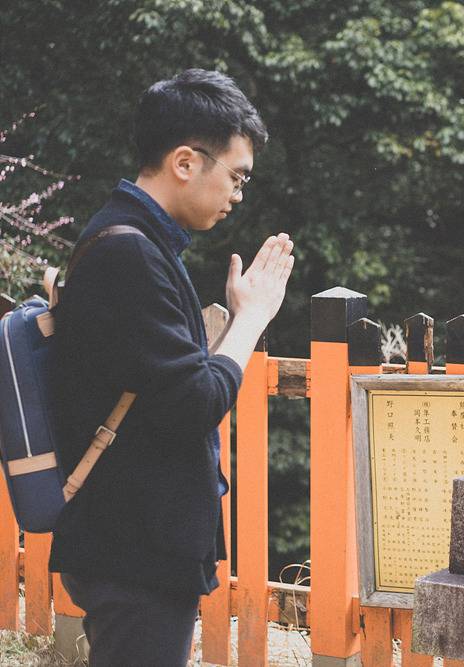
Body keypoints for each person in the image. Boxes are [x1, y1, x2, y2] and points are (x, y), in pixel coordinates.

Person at [48, 68, 293, 666]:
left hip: (126, 537)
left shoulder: (127, 239)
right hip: (133, 547)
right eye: (235, 175)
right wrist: (251, 319)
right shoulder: (130, 253)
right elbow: (194, 403)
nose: (238, 193)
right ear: (185, 162)